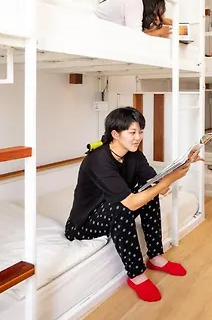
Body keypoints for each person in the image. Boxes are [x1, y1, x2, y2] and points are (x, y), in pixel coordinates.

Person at [65, 107, 199, 302]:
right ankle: (136, 275)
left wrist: (185, 164)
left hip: (111, 207)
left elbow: (158, 187)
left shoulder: (134, 155)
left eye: (141, 132)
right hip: (84, 224)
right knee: (123, 206)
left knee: (149, 193)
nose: (138, 138)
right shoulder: (98, 160)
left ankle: (155, 257)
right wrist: (165, 182)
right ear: (115, 134)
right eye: (132, 132)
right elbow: (130, 202)